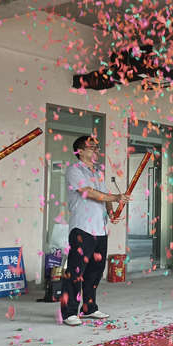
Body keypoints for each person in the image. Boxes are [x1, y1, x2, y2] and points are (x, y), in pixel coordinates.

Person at [60, 135, 129, 327]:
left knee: (95, 271)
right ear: (79, 151)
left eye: (96, 147)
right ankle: (69, 312)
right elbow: (87, 192)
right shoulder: (74, 170)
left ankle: (89, 308)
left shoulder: (98, 172)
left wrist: (111, 211)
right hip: (82, 228)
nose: (96, 150)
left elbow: (104, 195)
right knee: (75, 271)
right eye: (91, 147)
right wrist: (116, 197)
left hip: (100, 229)